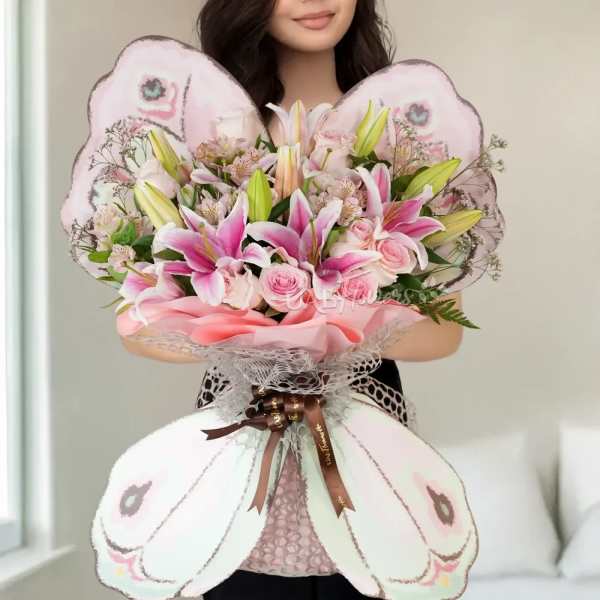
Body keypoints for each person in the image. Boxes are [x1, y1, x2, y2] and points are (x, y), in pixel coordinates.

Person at [120, 1, 465, 597]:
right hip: (238, 446)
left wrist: (333, 324)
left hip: (368, 454)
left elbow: (447, 330)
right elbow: (135, 324)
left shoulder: (402, 138)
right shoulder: (205, 138)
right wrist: (250, 330)